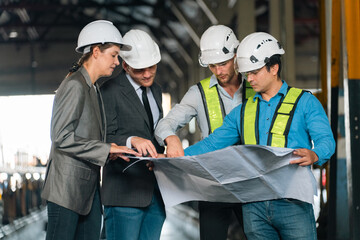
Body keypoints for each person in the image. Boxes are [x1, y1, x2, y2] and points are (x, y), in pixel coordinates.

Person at [184, 32, 336, 239]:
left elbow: (326, 141)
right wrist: (172, 157)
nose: (250, 79)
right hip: (253, 207)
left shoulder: (305, 102)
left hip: (293, 204)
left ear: (274, 68)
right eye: (247, 73)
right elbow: (212, 143)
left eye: (255, 72)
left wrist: (315, 155)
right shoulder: (242, 112)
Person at [41, 20, 140, 240]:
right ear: (96, 52)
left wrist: (113, 150)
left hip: (87, 189)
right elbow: (61, 137)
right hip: (66, 191)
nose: (117, 61)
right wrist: (106, 150)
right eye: (114, 55)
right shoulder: (75, 85)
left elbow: (89, 137)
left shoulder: (92, 88)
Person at [155, 25, 251, 240]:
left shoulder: (255, 86)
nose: (218, 71)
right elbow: (165, 124)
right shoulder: (198, 93)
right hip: (213, 183)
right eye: (212, 66)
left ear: (236, 55)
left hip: (250, 182)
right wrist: (171, 139)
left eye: (223, 64)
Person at [100, 29, 166, 240]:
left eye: (152, 67)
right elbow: (100, 136)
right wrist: (131, 140)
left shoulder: (156, 90)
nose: (147, 74)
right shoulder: (108, 91)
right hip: (124, 195)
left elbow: (155, 130)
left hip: (155, 192)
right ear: (126, 66)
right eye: (140, 69)